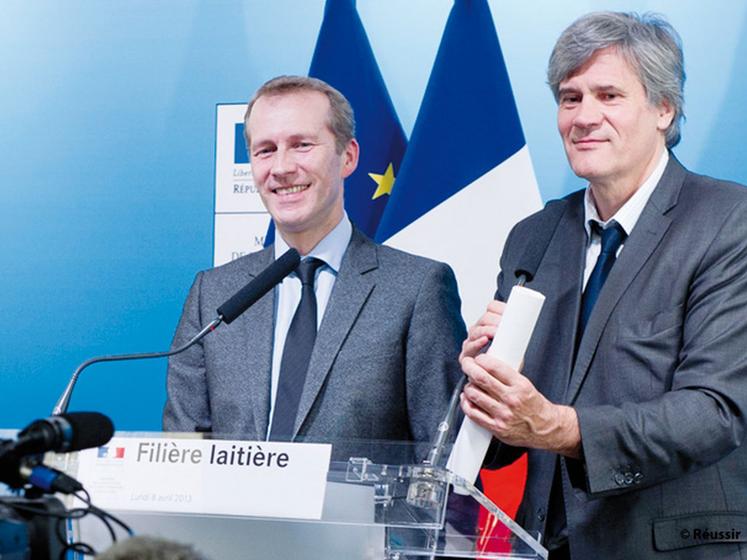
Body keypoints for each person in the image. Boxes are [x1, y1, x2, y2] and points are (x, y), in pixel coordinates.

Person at [459, 12, 747, 560]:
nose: (584, 117)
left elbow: (714, 412)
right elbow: (504, 442)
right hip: (542, 545)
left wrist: (558, 427)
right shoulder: (534, 235)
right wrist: (483, 385)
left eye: (608, 95)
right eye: (570, 98)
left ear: (664, 108)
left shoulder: (730, 222)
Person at [163, 76, 465, 457]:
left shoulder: (416, 289)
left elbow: (442, 459)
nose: (282, 167)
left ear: (348, 156)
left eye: (302, 145)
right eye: (265, 150)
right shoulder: (214, 296)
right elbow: (183, 454)